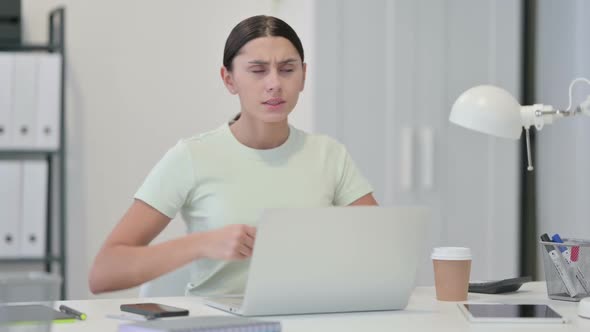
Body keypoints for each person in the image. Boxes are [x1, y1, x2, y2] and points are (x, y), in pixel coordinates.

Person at [88, 15, 377, 296]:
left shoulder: (329, 155)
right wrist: (202, 244)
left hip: (311, 318)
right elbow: (104, 272)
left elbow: (380, 249)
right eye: (258, 70)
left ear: (303, 76)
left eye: (287, 69)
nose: (274, 83)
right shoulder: (191, 156)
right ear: (229, 79)